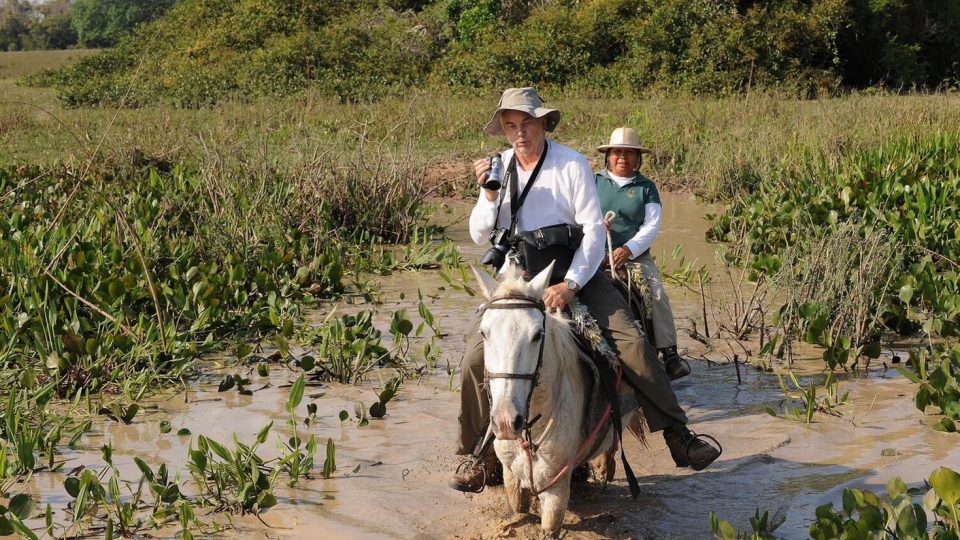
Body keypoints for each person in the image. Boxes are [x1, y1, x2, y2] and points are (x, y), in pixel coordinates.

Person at [450, 88, 720, 493]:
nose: (518, 133)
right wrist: (488, 196)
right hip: (520, 277)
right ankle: (476, 453)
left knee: (632, 345)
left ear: (543, 123)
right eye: (510, 126)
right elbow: (478, 233)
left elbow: (594, 233)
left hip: (577, 269)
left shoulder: (572, 164)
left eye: (526, 124)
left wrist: (572, 284)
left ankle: (678, 435)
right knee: (474, 359)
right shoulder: (500, 167)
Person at [595, 127, 691, 381]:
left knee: (657, 293)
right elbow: (579, 213)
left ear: (638, 158)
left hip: (636, 257)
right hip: (594, 252)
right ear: (608, 155)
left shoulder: (646, 187)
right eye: (617, 152)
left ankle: (670, 353)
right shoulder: (594, 181)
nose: (622, 157)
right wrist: (596, 231)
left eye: (629, 153)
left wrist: (627, 250)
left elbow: (651, 226)